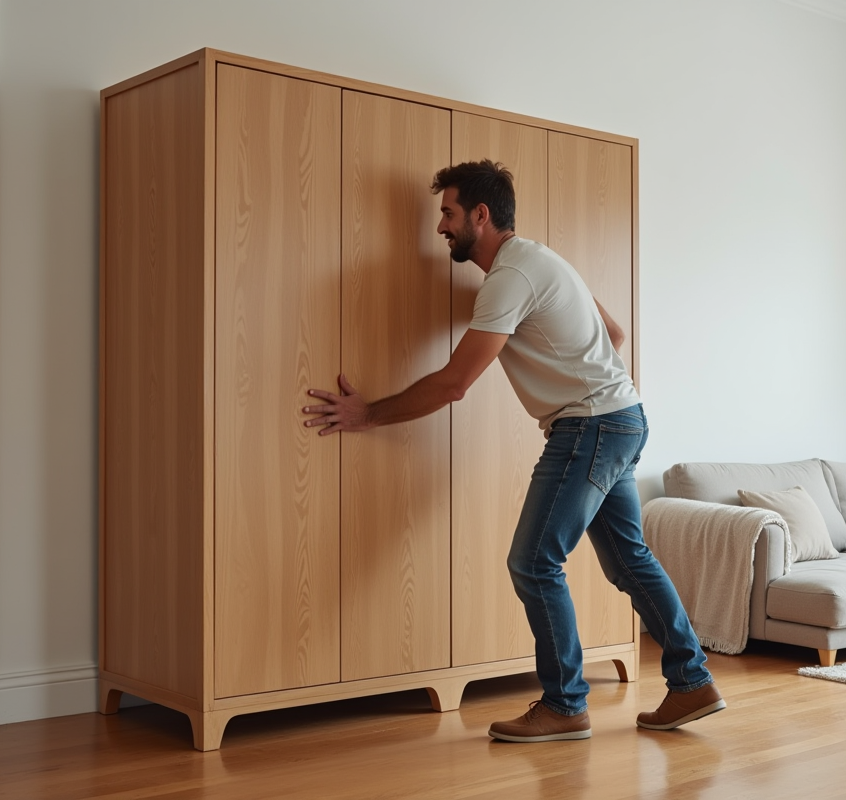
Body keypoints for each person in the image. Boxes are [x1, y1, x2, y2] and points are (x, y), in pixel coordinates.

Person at [302, 160, 724, 742]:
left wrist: (369, 413)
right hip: (622, 419)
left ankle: (565, 704)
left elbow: (454, 383)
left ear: (481, 214)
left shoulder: (511, 277)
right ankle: (691, 682)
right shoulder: (540, 259)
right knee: (628, 561)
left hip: (590, 428)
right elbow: (615, 335)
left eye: (448, 213)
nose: (441, 228)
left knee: (533, 562)